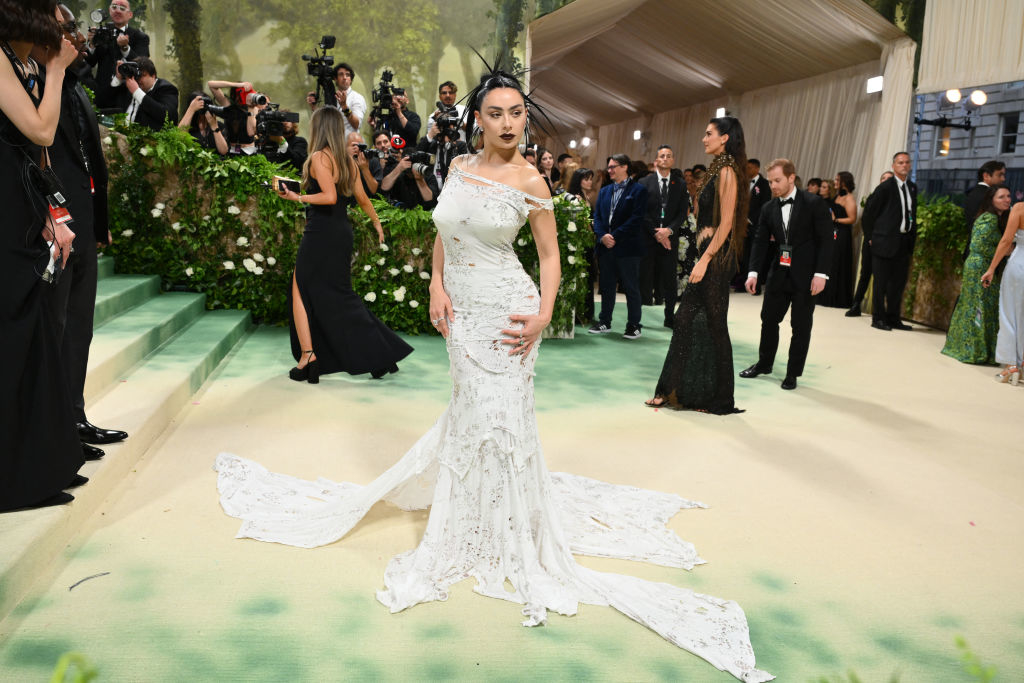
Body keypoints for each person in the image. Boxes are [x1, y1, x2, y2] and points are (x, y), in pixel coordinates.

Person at [214, 66, 771, 683]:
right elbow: (445, 233)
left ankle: (501, 527)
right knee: (469, 414)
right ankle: (473, 513)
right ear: (477, 119)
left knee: (499, 419)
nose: (508, 124)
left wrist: (544, 314)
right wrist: (435, 283)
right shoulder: (457, 167)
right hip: (462, 313)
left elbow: (551, 256)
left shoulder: (531, 179)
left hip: (509, 313)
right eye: (497, 114)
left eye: (517, 113)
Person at [0, 0, 87, 511]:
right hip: (6, 212)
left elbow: (41, 154)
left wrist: (56, 214)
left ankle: (43, 466)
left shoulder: (24, 62)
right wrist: (55, 72)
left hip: (27, 208)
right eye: (52, 17)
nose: (62, 29)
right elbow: (40, 130)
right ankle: (14, 479)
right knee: (14, 334)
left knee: (37, 334)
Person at [43, 5, 128, 459]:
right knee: (55, 328)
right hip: (51, 225)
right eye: (65, 29)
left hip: (83, 220)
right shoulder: (35, 84)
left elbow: (92, 161)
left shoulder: (76, 86)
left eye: (74, 28)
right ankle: (55, 431)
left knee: (79, 327)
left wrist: (100, 222)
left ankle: (74, 419)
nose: (75, 37)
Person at [274, 106, 412, 381]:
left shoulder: (318, 157)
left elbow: (329, 197)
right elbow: (362, 198)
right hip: (340, 233)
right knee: (339, 295)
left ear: (318, 128)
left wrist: (297, 197)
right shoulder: (347, 161)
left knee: (300, 288)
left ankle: (308, 356)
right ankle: (378, 353)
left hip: (321, 232)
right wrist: (376, 222)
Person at [645, 117, 749, 412]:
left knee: (715, 325)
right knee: (685, 319)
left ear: (724, 138)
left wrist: (705, 259)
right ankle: (672, 390)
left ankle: (721, 398)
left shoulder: (727, 171)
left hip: (716, 258)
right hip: (707, 254)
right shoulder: (717, 168)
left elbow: (726, 222)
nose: (704, 138)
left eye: (709, 134)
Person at [738, 159, 833, 391]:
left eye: (777, 180)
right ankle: (764, 363)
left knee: (801, 326)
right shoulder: (768, 208)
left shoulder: (814, 203)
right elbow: (760, 242)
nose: (773, 186)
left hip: (807, 275)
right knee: (768, 319)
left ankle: (793, 373)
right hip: (778, 273)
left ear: (791, 178)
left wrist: (821, 274)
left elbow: (826, 241)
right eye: (770, 181)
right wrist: (753, 272)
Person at [943, 185, 1011, 364]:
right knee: (977, 307)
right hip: (979, 267)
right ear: (991, 200)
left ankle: (980, 349)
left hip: (986, 266)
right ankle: (973, 350)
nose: (1007, 200)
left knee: (983, 306)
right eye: (1001, 197)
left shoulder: (998, 219)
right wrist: (1004, 251)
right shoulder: (988, 219)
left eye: (1008, 196)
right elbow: (978, 246)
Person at [588, 153, 648, 339]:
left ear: (625, 167)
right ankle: (604, 321)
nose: (610, 170)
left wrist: (614, 236)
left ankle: (634, 325)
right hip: (606, 248)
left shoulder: (638, 190)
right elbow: (597, 216)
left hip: (628, 248)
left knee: (631, 288)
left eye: (613, 167)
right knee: (606, 287)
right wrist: (602, 236)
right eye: (609, 167)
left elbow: (637, 219)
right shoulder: (605, 190)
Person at [861, 152, 917, 331]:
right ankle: (878, 318)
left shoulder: (912, 187)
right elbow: (869, 213)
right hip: (883, 242)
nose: (904, 165)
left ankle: (893, 318)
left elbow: (911, 213)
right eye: (900, 163)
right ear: (893, 166)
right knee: (881, 283)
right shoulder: (885, 188)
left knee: (898, 284)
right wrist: (870, 237)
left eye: (907, 162)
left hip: (903, 242)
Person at [639, 144, 687, 327]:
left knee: (669, 279)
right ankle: (636, 318)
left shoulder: (680, 183)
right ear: (656, 160)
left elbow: (682, 212)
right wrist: (656, 233)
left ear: (673, 160)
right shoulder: (644, 182)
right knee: (644, 277)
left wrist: (668, 231)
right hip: (648, 237)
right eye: (662, 156)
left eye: (669, 156)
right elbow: (641, 211)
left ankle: (669, 317)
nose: (665, 158)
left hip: (669, 239)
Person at [982, 202, 1024, 383]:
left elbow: (1006, 240)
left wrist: (991, 269)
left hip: (1019, 266)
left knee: (1009, 315)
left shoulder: (1020, 209)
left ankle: (1011, 366)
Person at [846, 170, 893, 317]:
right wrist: (870, 237)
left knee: (883, 278)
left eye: (889, 179)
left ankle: (880, 311)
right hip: (871, 242)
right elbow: (866, 218)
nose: (885, 180)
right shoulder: (874, 197)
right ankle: (856, 304)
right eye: (883, 178)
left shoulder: (896, 200)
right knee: (865, 274)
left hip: (887, 244)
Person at [86, 0, 148, 109]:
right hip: (103, 95)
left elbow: (143, 64)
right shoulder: (101, 33)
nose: (117, 11)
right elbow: (90, 63)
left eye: (122, 8)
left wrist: (125, 48)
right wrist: (91, 44)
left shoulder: (139, 37)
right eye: (114, 7)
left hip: (129, 95)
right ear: (109, 10)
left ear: (130, 14)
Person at [819, 171, 857, 308]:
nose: (834, 182)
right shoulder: (837, 196)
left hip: (842, 234)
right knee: (830, 262)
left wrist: (836, 220)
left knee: (837, 262)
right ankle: (826, 295)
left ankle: (836, 298)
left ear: (844, 182)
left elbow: (852, 219)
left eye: (837, 180)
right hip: (833, 231)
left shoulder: (849, 198)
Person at [116, 56, 178, 131]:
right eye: (136, 76)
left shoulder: (167, 89)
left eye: (142, 75)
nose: (138, 79)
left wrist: (137, 92)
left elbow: (167, 116)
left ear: (153, 75)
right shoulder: (130, 86)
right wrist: (118, 79)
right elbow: (106, 102)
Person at [738, 158, 771, 293]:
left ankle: (755, 286)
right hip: (742, 225)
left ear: (757, 169)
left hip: (756, 225)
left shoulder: (764, 184)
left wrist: (749, 220)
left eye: (750, 168)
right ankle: (742, 283)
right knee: (743, 255)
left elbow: (765, 205)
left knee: (755, 255)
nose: (747, 170)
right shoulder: (743, 183)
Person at [306, 61, 365, 137]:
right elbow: (324, 123)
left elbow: (357, 125)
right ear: (335, 78)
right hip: (331, 142)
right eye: (341, 74)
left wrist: (345, 107)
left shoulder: (357, 98)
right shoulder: (331, 96)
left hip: (348, 143)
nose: (344, 77)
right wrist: (313, 107)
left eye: (347, 75)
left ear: (351, 79)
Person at [962, 161, 1007, 260]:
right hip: (985, 255)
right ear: (986, 176)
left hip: (973, 252)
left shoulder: (973, 192)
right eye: (999, 175)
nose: (1003, 179)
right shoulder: (989, 196)